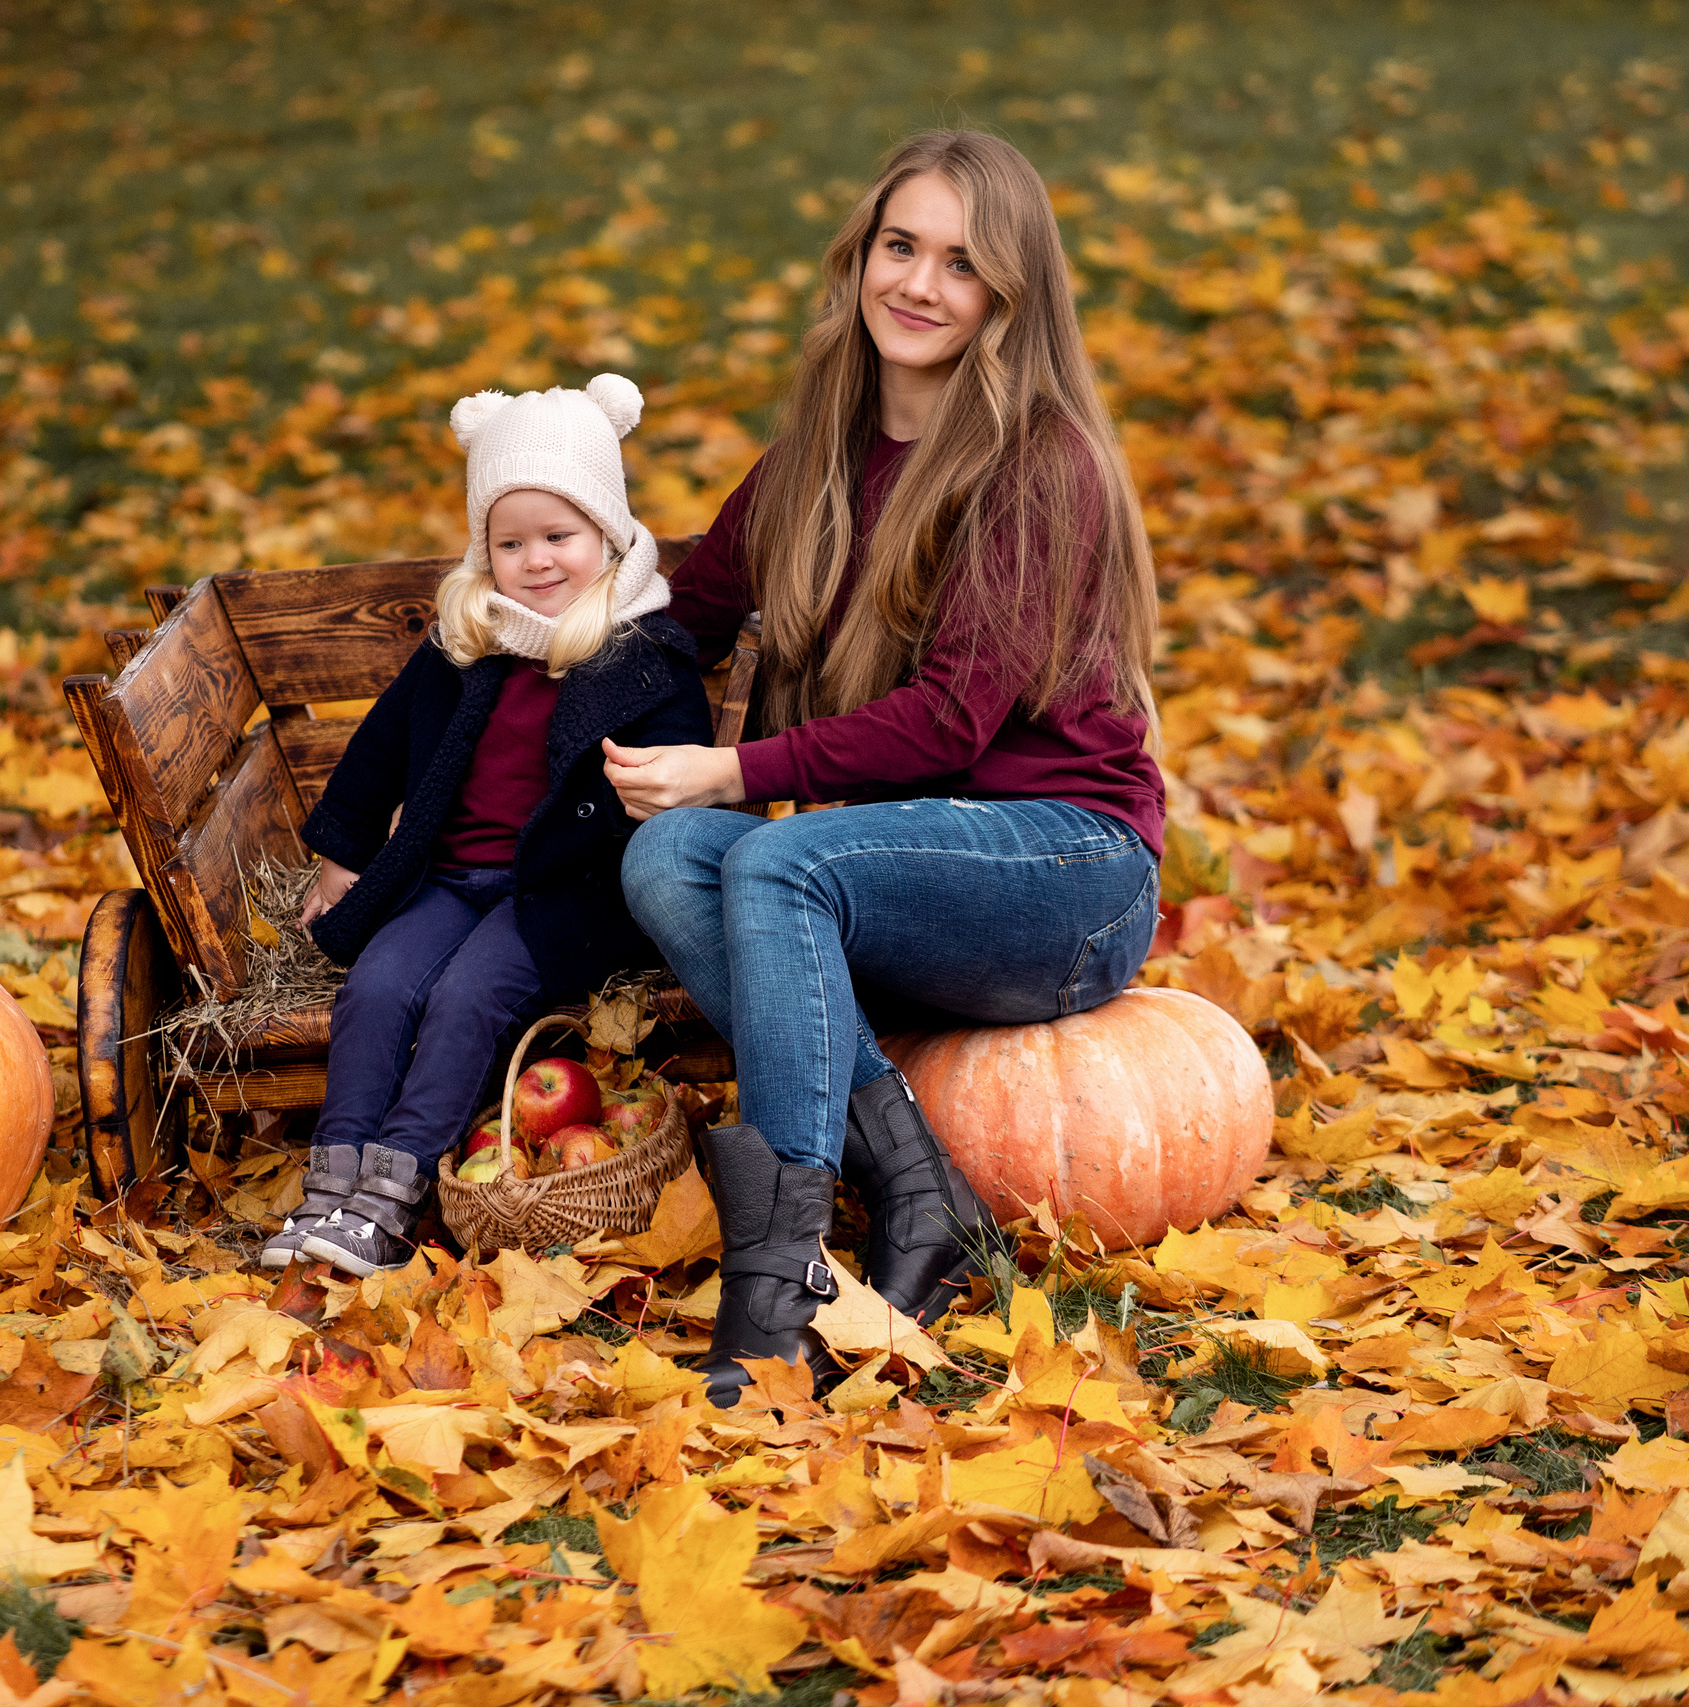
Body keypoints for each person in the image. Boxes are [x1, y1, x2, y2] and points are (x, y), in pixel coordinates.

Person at [606, 131, 1166, 1405]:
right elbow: (680, 625)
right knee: (668, 854)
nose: (917, 284)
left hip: (1066, 869)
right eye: (898, 247)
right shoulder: (815, 458)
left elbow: (948, 726)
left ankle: (780, 1277)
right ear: (858, 260)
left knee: (776, 857)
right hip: (898, 863)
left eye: (961, 265)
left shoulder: (1039, 465)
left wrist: (733, 767)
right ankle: (923, 1203)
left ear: (1008, 301)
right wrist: (511, 671)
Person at [269, 375, 715, 1278]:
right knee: (381, 985)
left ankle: (393, 1193)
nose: (538, 561)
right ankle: (333, 1182)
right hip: (448, 876)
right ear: (485, 552)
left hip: (559, 894)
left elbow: (683, 777)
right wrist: (337, 860)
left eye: (560, 537)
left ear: (608, 535)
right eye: (511, 543)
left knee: (467, 997)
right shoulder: (465, 644)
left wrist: (659, 800)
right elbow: (380, 749)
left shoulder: (642, 658)